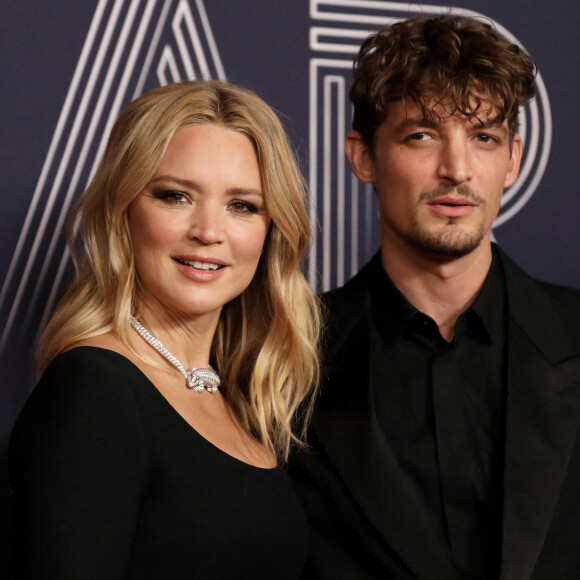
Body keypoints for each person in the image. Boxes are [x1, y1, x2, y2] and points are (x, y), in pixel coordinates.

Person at [289, 15, 580, 580]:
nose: (457, 170)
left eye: (484, 137)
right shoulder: (287, 356)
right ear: (363, 156)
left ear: (513, 159)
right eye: (421, 135)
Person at [10, 79, 320, 579]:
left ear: (271, 231)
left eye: (242, 205)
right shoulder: (94, 391)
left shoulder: (242, 398)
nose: (209, 231)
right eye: (175, 196)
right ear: (124, 210)